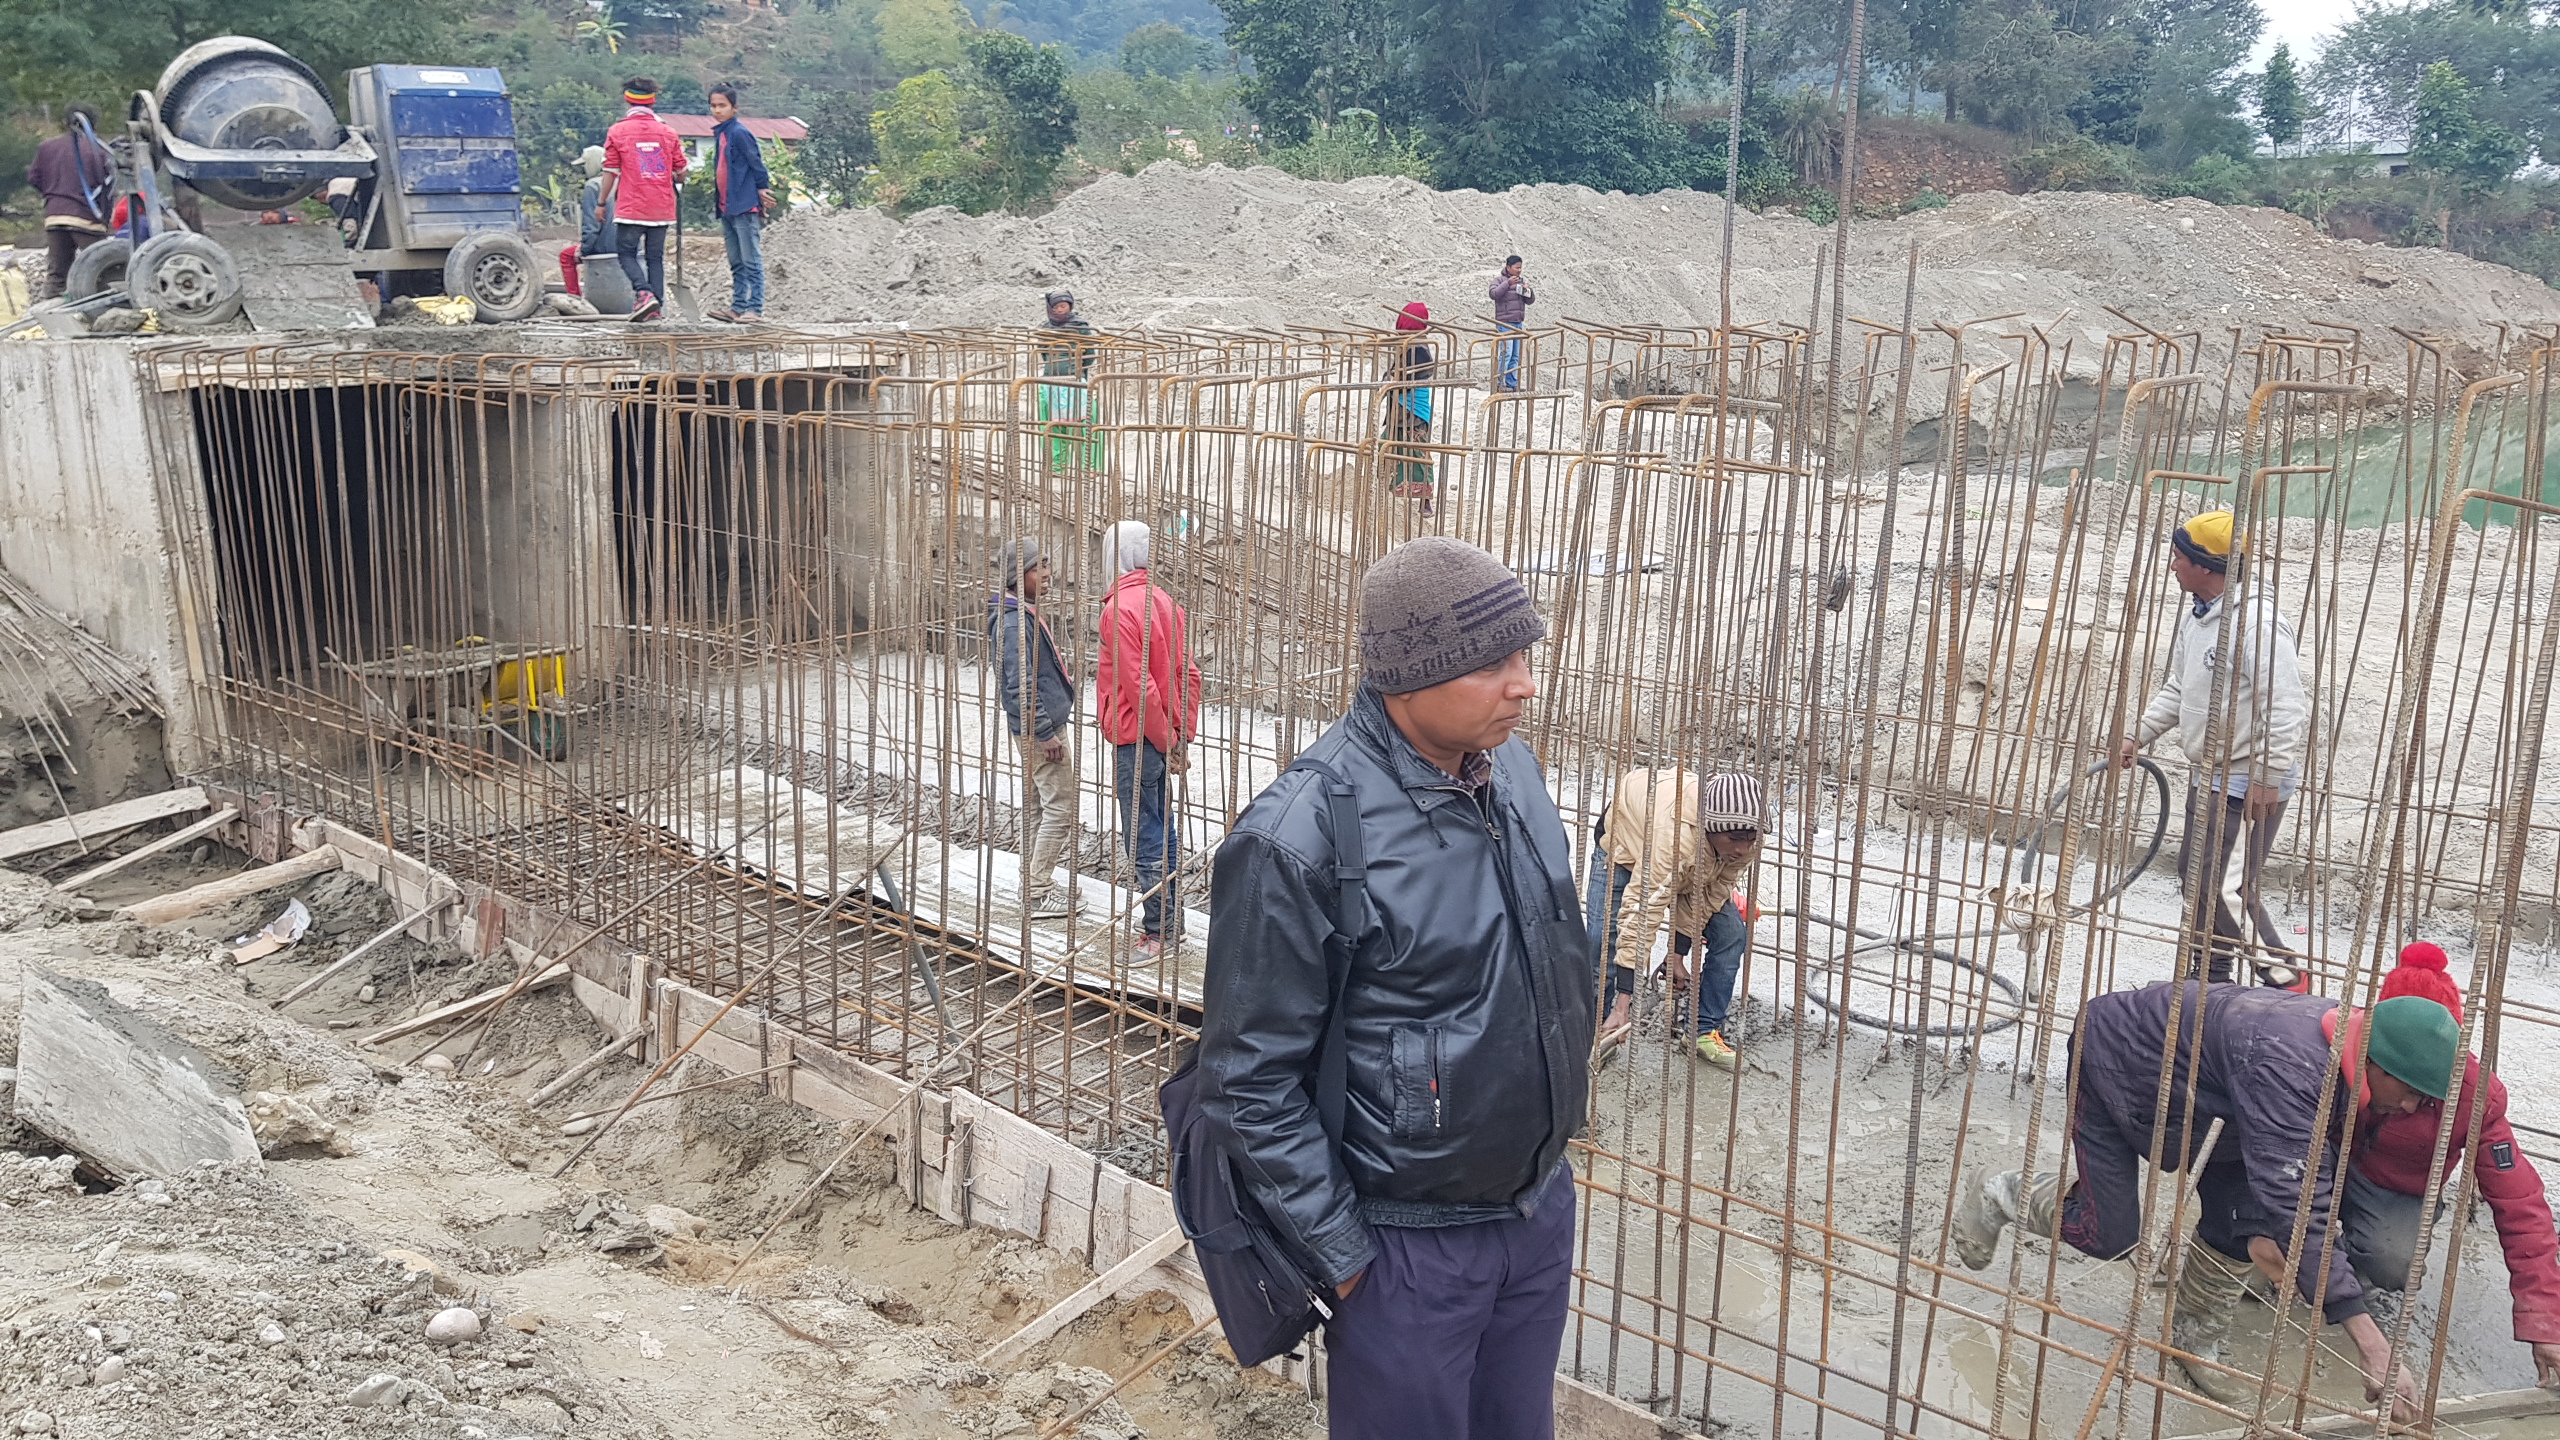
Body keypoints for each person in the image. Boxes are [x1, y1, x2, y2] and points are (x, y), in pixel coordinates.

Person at [1198, 536, 1591, 1440]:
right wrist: (1343, 1256)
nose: (1524, 684)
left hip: (1533, 1215)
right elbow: (1246, 1078)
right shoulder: (1301, 835)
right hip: (1405, 1245)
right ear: (1413, 676)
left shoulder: (1514, 774)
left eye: (1524, 656)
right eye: (1495, 663)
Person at [1951, 982, 2457, 1417]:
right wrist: (2373, 1346)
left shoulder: (2341, 1054)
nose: (2412, 1106)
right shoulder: (2288, 1065)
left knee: (2241, 1222)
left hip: (2216, 1095)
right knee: (2110, 1233)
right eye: (2409, 1091)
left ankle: (2193, 1338)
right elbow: (2302, 1210)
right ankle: (2001, 1193)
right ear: (2374, 1061)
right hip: (2118, 1061)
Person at [2337, 943, 2560, 1383]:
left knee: (2392, 1259)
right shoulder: (2342, 1050)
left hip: (2392, 1188)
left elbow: (2522, 1207)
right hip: (2325, 1161)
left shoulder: (2475, 1097)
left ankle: (2350, 1272)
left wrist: (2547, 1320)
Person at [2115, 510, 2310, 989]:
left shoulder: (2258, 624)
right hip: (2212, 772)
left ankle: (2283, 974)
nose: (2172, 566)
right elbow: (2180, 687)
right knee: (2195, 877)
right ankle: (2214, 974)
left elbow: (2284, 706)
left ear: (2206, 566)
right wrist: (2139, 733)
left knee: (2223, 885)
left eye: (2179, 557)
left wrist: (2267, 774)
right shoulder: (2200, 619)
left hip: (2249, 781)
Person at [1585, 770, 1762, 1070]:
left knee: (1732, 932)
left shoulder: (1744, 840)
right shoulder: (1673, 837)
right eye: (1734, 839)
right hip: (1628, 845)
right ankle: (1601, 1026)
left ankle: (1702, 1032)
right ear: (1711, 827)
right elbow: (1642, 914)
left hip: (1694, 864)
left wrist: (1676, 954)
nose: (1743, 849)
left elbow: (1711, 893)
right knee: (1603, 939)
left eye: (1749, 840)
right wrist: (1624, 1002)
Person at [1096, 522, 1201, 959]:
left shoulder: (1118, 609)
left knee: (1144, 837)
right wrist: (1181, 737)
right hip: (1159, 737)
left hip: (1135, 738)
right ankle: (1170, 924)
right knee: (1164, 830)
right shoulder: (1164, 601)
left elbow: (1139, 687)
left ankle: (1158, 934)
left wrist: (1162, 738)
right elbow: (1189, 675)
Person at [986, 539, 1081, 920]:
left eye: (1045, 564)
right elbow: (1018, 684)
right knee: (1060, 808)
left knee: (1039, 807)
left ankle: (1033, 881)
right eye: (1036, 567)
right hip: (1040, 730)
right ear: (1015, 576)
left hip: (1037, 726)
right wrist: (1044, 732)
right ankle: (1038, 890)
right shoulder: (1012, 622)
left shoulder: (1019, 614)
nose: (1046, 574)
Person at [597, 78, 687, 322]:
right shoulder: (668, 132)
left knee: (626, 253)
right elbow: (681, 170)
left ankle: (644, 292)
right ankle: (656, 307)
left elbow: (611, 171)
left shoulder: (617, 131)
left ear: (627, 99)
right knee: (654, 257)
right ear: (653, 101)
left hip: (632, 206)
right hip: (662, 207)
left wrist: (601, 202)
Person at [26, 105, 113, 300]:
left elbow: (34, 177)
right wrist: (105, 219)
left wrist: (53, 195)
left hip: (55, 216)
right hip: (86, 218)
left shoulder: (46, 147)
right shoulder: (99, 151)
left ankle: (48, 310)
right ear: (94, 125)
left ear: (65, 123)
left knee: (57, 273)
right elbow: (107, 187)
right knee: (103, 269)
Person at [704, 83, 774, 324]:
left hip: (744, 205)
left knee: (750, 259)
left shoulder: (739, 133)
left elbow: (757, 164)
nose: (717, 110)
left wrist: (763, 189)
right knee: (736, 261)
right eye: (713, 106)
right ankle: (737, 307)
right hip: (727, 206)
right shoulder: (721, 134)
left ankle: (754, 308)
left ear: (735, 107)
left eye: (722, 106)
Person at [1383, 302, 1437, 513]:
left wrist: (1389, 379)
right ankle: (1386, 486)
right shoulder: (1409, 344)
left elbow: (1404, 377)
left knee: (1417, 451)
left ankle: (1425, 500)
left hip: (1412, 408)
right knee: (1391, 446)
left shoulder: (1418, 348)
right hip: (1402, 408)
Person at [1038, 290, 1101, 470]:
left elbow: (1089, 354)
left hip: (1075, 380)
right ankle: (1057, 465)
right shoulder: (1046, 328)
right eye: (1056, 306)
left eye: (1063, 306)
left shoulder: (1080, 326)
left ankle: (1089, 466)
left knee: (1085, 422)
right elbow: (1043, 353)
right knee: (1054, 425)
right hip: (1051, 381)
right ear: (1050, 308)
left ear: (1070, 306)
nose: (1060, 310)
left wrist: (1077, 370)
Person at [562, 146, 617, 300]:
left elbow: (591, 227)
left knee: (566, 256)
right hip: (629, 244)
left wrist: (585, 250)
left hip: (605, 246)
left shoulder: (593, 185)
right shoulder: (622, 180)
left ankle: (574, 299)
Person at [1489, 255, 1534, 392]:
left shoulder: (1521, 282)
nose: (1519, 270)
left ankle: (1511, 383)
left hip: (1518, 323)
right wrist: (1507, 284)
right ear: (1508, 268)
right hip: (1505, 323)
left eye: (1521, 267)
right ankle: (1498, 382)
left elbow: (1530, 301)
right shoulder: (1499, 281)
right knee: (1505, 353)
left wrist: (1528, 291)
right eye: (1517, 267)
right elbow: (1494, 294)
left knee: (1515, 355)